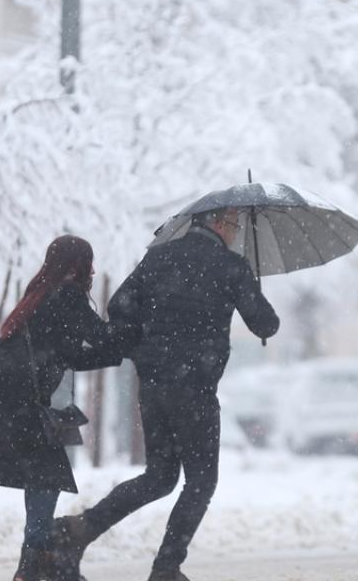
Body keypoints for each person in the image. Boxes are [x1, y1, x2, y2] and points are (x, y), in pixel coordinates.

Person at [51, 208, 280, 581]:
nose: (236, 232)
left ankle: (79, 530)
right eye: (235, 225)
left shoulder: (158, 257)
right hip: (195, 390)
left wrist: (152, 342)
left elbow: (119, 305)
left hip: (154, 384)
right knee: (201, 482)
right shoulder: (231, 266)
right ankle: (166, 568)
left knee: (159, 476)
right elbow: (266, 324)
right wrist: (250, 291)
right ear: (218, 223)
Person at [0, 235, 124, 581]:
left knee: (43, 470)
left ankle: (35, 562)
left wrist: (119, 354)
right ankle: (33, 565)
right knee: (46, 471)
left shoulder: (42, 294)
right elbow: (104, 337)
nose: (92, 272)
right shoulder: (68, 296)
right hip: (13, 392)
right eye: (89, 264)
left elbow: (73, 356)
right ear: (77, 266)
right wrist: (133, 331)